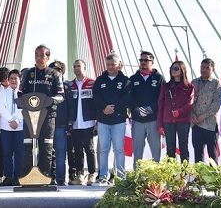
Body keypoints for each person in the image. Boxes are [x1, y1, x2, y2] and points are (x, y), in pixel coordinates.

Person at [18, 45, 65, 181]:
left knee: (46, 146)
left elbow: (61, 95)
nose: (39, 58)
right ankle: (26, 177)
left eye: (42, 55)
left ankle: (45, 177)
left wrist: (49, 101)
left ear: (47, 57)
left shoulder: (55, 74)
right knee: (28, 146)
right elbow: (20, 93)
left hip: (48, 116)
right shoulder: (28, 73)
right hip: (30, 116)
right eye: (37, 55)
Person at [92, 53, 131, 186]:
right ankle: (102, 176)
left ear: (119, 65)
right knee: (104, 149)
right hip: (103, 120)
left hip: (119, 120)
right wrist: (104, 107)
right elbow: (95, 97)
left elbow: (127, 98)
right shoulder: (100, 80)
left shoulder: (125, 80)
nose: (110, 67)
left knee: (119, 149)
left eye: (113, 64)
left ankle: (120, 177)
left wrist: (113, 107)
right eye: (108, 64)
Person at [129, 51, 165, 167]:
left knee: (156, 150)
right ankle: (137, 176)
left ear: (152, 62)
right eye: (141, 60)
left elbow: (161, 98)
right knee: (137, 150)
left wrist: (150, 109)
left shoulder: (159, 78)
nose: (143, 63)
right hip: (137, 119)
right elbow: (129, 97)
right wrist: (136, 109)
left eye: (146, 60)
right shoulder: (133, 78)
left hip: (153, 120)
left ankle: (156, 178)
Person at [67, 59, 97, 186]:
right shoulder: (70, 85)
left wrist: (97, 122)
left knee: (89, 149)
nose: (76, 68)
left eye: (79, 66)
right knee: (77, 149)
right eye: (74, 66)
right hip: (75, 123)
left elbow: (97, 103)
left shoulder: (92, 83)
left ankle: (92, 173)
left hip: (88, 122)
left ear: (85, 68)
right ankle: (80, 174)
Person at [157, 60, 194, 163]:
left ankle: (185, 173)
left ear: (182, 71)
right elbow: (161, 105)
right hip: (168, 121)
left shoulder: (189, 87)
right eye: (172, 68)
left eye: (176, 68)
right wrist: (160, 125)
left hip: (183, 121)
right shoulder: (166, 86)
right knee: (170, 148)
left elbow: (190, 103)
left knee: (183, 147)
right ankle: (171, 174)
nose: (173, 71)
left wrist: (180, 111)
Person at [191, 58, 221, 164]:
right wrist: (192, 115)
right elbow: (188, 101)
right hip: (196, 125)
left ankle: (214, 179)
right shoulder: (194, 83)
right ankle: (199, 179)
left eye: (207, 68)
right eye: (202, 67)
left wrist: (203, 116)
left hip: (210, 125)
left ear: (212, 69)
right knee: (198, 155)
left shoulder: (217, 84)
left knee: (212, 156)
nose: (204, 70)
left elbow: (216, 105)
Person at [0, 69, 24, 186]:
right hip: (6, 127)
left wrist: (16, 120)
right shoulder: (3, 92)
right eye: (11, 78)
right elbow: (1, 107)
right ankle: (8, 177)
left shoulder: (23, 92)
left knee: (19, 152)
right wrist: (10, 120)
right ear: (8, 80)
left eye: (16, 78)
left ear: (20, 80)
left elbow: (24, 108)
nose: (13, 80)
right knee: (7, 153)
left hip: (20, 127)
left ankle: (18, 177)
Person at [49, 60, 71, 186]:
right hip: (47, 124)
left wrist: (69, 124)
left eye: (57, 70)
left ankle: (61, 178)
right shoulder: (46, 87)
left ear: (62, 72)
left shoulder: (66, 88)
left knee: (61, 152)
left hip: (61, 125)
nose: (55, 73)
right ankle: (46, 177)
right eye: (53, 70)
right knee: (45, 153)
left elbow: (71, 107)